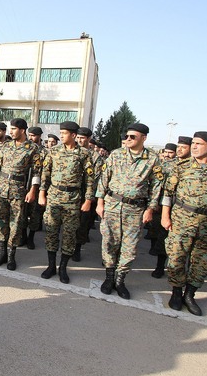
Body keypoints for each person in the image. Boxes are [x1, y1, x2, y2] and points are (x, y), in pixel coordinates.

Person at [161, 131, 207, 316]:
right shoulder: (181, 167)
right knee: (176, 257)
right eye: (193, 143)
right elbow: (168, 194)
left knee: (202, 261)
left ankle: (190, 294)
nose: (194, 146)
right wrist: (165, 216)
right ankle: (176, 292)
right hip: (182, 219)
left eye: (199, 144)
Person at [96, 123, 162, 299]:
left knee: (129, 248)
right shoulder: (116, 154)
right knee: (109, 242)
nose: (128, 139)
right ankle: (109, 277)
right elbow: (104, 179)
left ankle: (120, 280)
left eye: (133, 137)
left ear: (144, 138)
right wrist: (99, 202)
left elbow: (156, 187)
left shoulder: (152, 159)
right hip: (112, 205)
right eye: (126, 136)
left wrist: (150, 209)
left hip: (135, 210)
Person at [39, 121, 95, 284]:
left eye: (64, 133)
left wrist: (88, 200)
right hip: (54, 197)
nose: (61, 135)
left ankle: (63, 268)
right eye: (61, 133)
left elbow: (89, 179)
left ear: (73, 135)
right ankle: (51, 266)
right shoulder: (54, 151)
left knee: (69, 235)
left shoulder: (84, 154)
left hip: (73, 199)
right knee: (51, 232)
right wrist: (42, 193)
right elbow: (45, 174)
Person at [0, 118, 40, 269]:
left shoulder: (32, 148)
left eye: (13, 129)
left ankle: (11, 256)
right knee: (0, 221)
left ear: (22, 130)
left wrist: (32, 191)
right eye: (10, 129)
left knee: (16, 223)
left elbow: (36, 172)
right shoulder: (6, 146)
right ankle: (2, 253)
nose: (10, 132)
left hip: (18, 190)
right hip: (1, 189)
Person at [149, 136, 191, 278]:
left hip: (186, 211)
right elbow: (158, 185)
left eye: (183, 147)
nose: (179, 150)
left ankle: (182, 270)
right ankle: (160, 266)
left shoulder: (193, 167)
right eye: (178, 147)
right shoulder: (167, 165)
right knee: (163, 237)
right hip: (167, 207)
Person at [23, 126, 47, 249]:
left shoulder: (44, 152)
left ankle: (31, 237)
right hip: (23, 185)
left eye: (34, 135)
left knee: (35, 213)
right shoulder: (25, 148)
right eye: (30, 135)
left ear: (39, 136)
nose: (31, 138)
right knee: (22, 212)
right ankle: (22, 235)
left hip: (37, 187)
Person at [73, 127, 94, 261]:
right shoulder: (73, 152)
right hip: (71, 193)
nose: (80, 140)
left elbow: (95, 179)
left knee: (82, 223)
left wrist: (89, 199)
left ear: (89, 139)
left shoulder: (94, 156)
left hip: (85, 194)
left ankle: (77, 248)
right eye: (78, 138)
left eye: (83, 138)